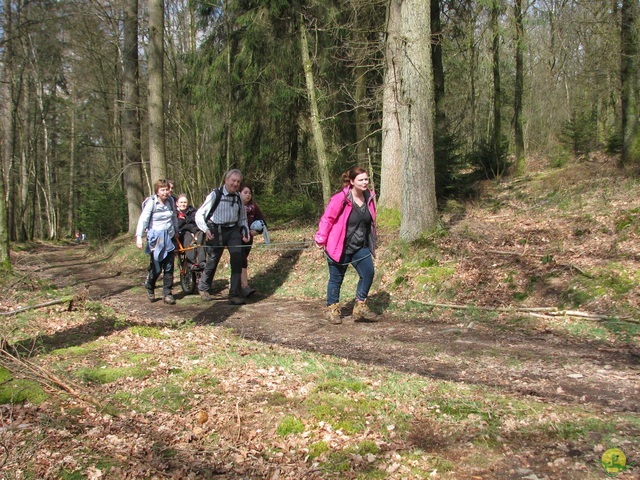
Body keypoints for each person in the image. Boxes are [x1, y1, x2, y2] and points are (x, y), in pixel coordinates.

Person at [314, 166, 378, 324]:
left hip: (359, 246)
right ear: (352, 181)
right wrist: (321, 239)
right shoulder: (340, 198)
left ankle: (360, 306)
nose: (365, 182)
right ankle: (332, 309)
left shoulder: (369, 197)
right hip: (339, 245)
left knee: (368, 273)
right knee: (336, 279)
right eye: (361, 179)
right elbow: (327, 218)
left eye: (366, 179)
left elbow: (369, 222)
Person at [195, 169, 250, 305]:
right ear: (226, 180)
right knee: (213, 259)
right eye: (233, 181)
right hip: (216, 229)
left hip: (233, 231)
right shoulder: (215, 194)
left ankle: (234, 294)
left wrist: (245, 231)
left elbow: (242, 218)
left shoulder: (238, 198)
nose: (235, 184)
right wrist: (205, 229)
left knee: (237, 259)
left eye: (238, 182)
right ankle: (203, 287)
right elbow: (199, 214)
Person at [136, 179, 179, 305]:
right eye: (162, 190)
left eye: (167, 189)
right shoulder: (152, 202)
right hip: (156, 239)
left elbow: (174, 217)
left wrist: (176, 231)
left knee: (169, 266)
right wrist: (139, 236)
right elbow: (143, 219)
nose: (165, 192)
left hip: (169, 237)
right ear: (157, 191)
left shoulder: (171, 201)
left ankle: (167, 293)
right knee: (157, 268)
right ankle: (150, 285)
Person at [238, 184, 266, 297]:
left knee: (243, 260)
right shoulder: (235, 206)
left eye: (249, 193)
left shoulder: (254, 207)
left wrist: (257, 231)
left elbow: (263, 222)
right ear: (239, 193)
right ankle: (244, 286)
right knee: (241, 260)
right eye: (245, 192)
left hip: (249, 238)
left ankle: (238, 285)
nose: (248, 195)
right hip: (236, 238)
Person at [176, 194, 206, 268]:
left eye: (185, 202)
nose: (183, 204)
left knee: (201, 234)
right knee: (187, 234)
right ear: (177, 203)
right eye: (181, 202)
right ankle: (191, 263)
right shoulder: (174, 213)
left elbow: (197, 223)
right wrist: (185, 223)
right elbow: (177, 226)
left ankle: (202, 262)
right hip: (180, 235)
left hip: (194, 232)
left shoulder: (193, 211)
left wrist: (185, 221)